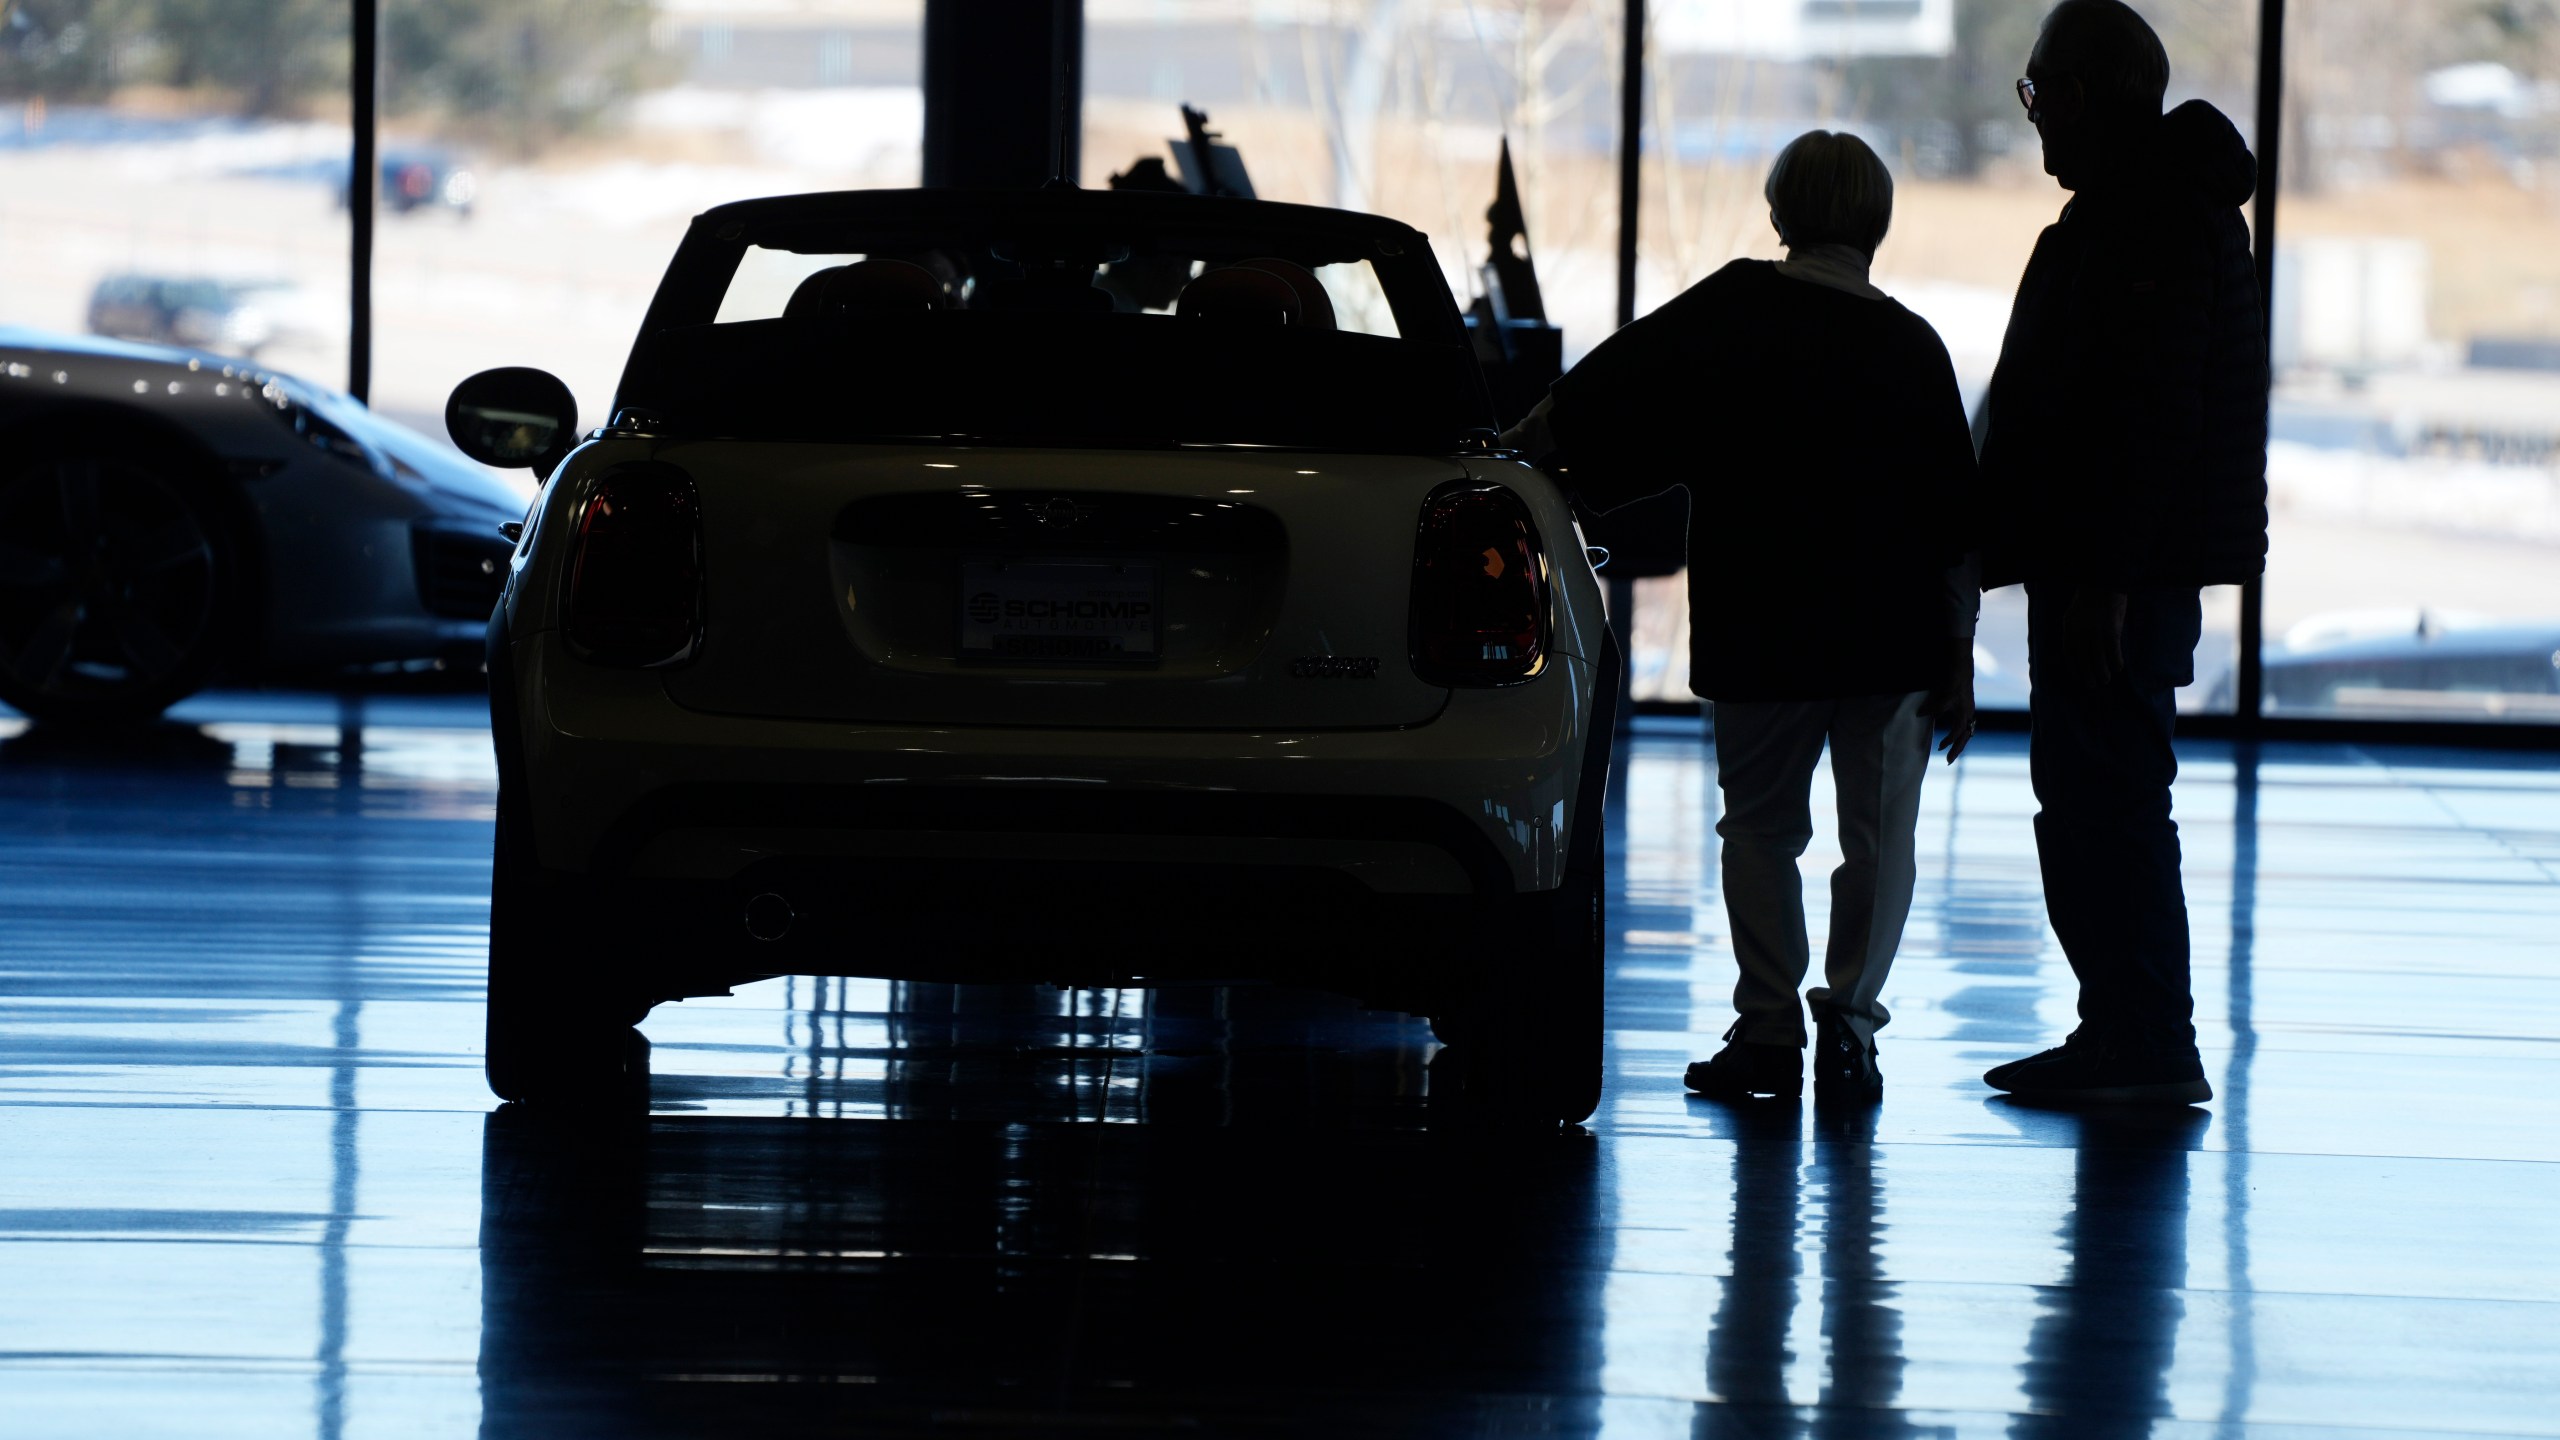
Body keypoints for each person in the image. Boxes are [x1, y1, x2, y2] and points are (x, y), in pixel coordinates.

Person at [1506, 130, 1980, 1105]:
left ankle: (1766, 1031)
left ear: (1779, 211)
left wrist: (1512, 448)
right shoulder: (1914, 348)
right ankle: (1849, 1028)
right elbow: (1954, 527)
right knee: (1878, 840)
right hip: (1891, 638)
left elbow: (1600, 399)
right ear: (1877, 225)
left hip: (1761, 623)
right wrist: (1958, 655)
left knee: (1760, 830)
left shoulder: (1731, 310)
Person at [1977, 0, 2269, 1104]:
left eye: (2038, 90)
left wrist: (2101, 576)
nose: (2034, 114)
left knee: (2106, 801)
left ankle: (2141, 1040)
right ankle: (2127, 1031)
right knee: (2103, 797)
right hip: (2117, 570)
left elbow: (2144, 421)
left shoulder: (2143, 224)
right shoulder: (2160, 212)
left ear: (2083, 98)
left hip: (2113, 577)